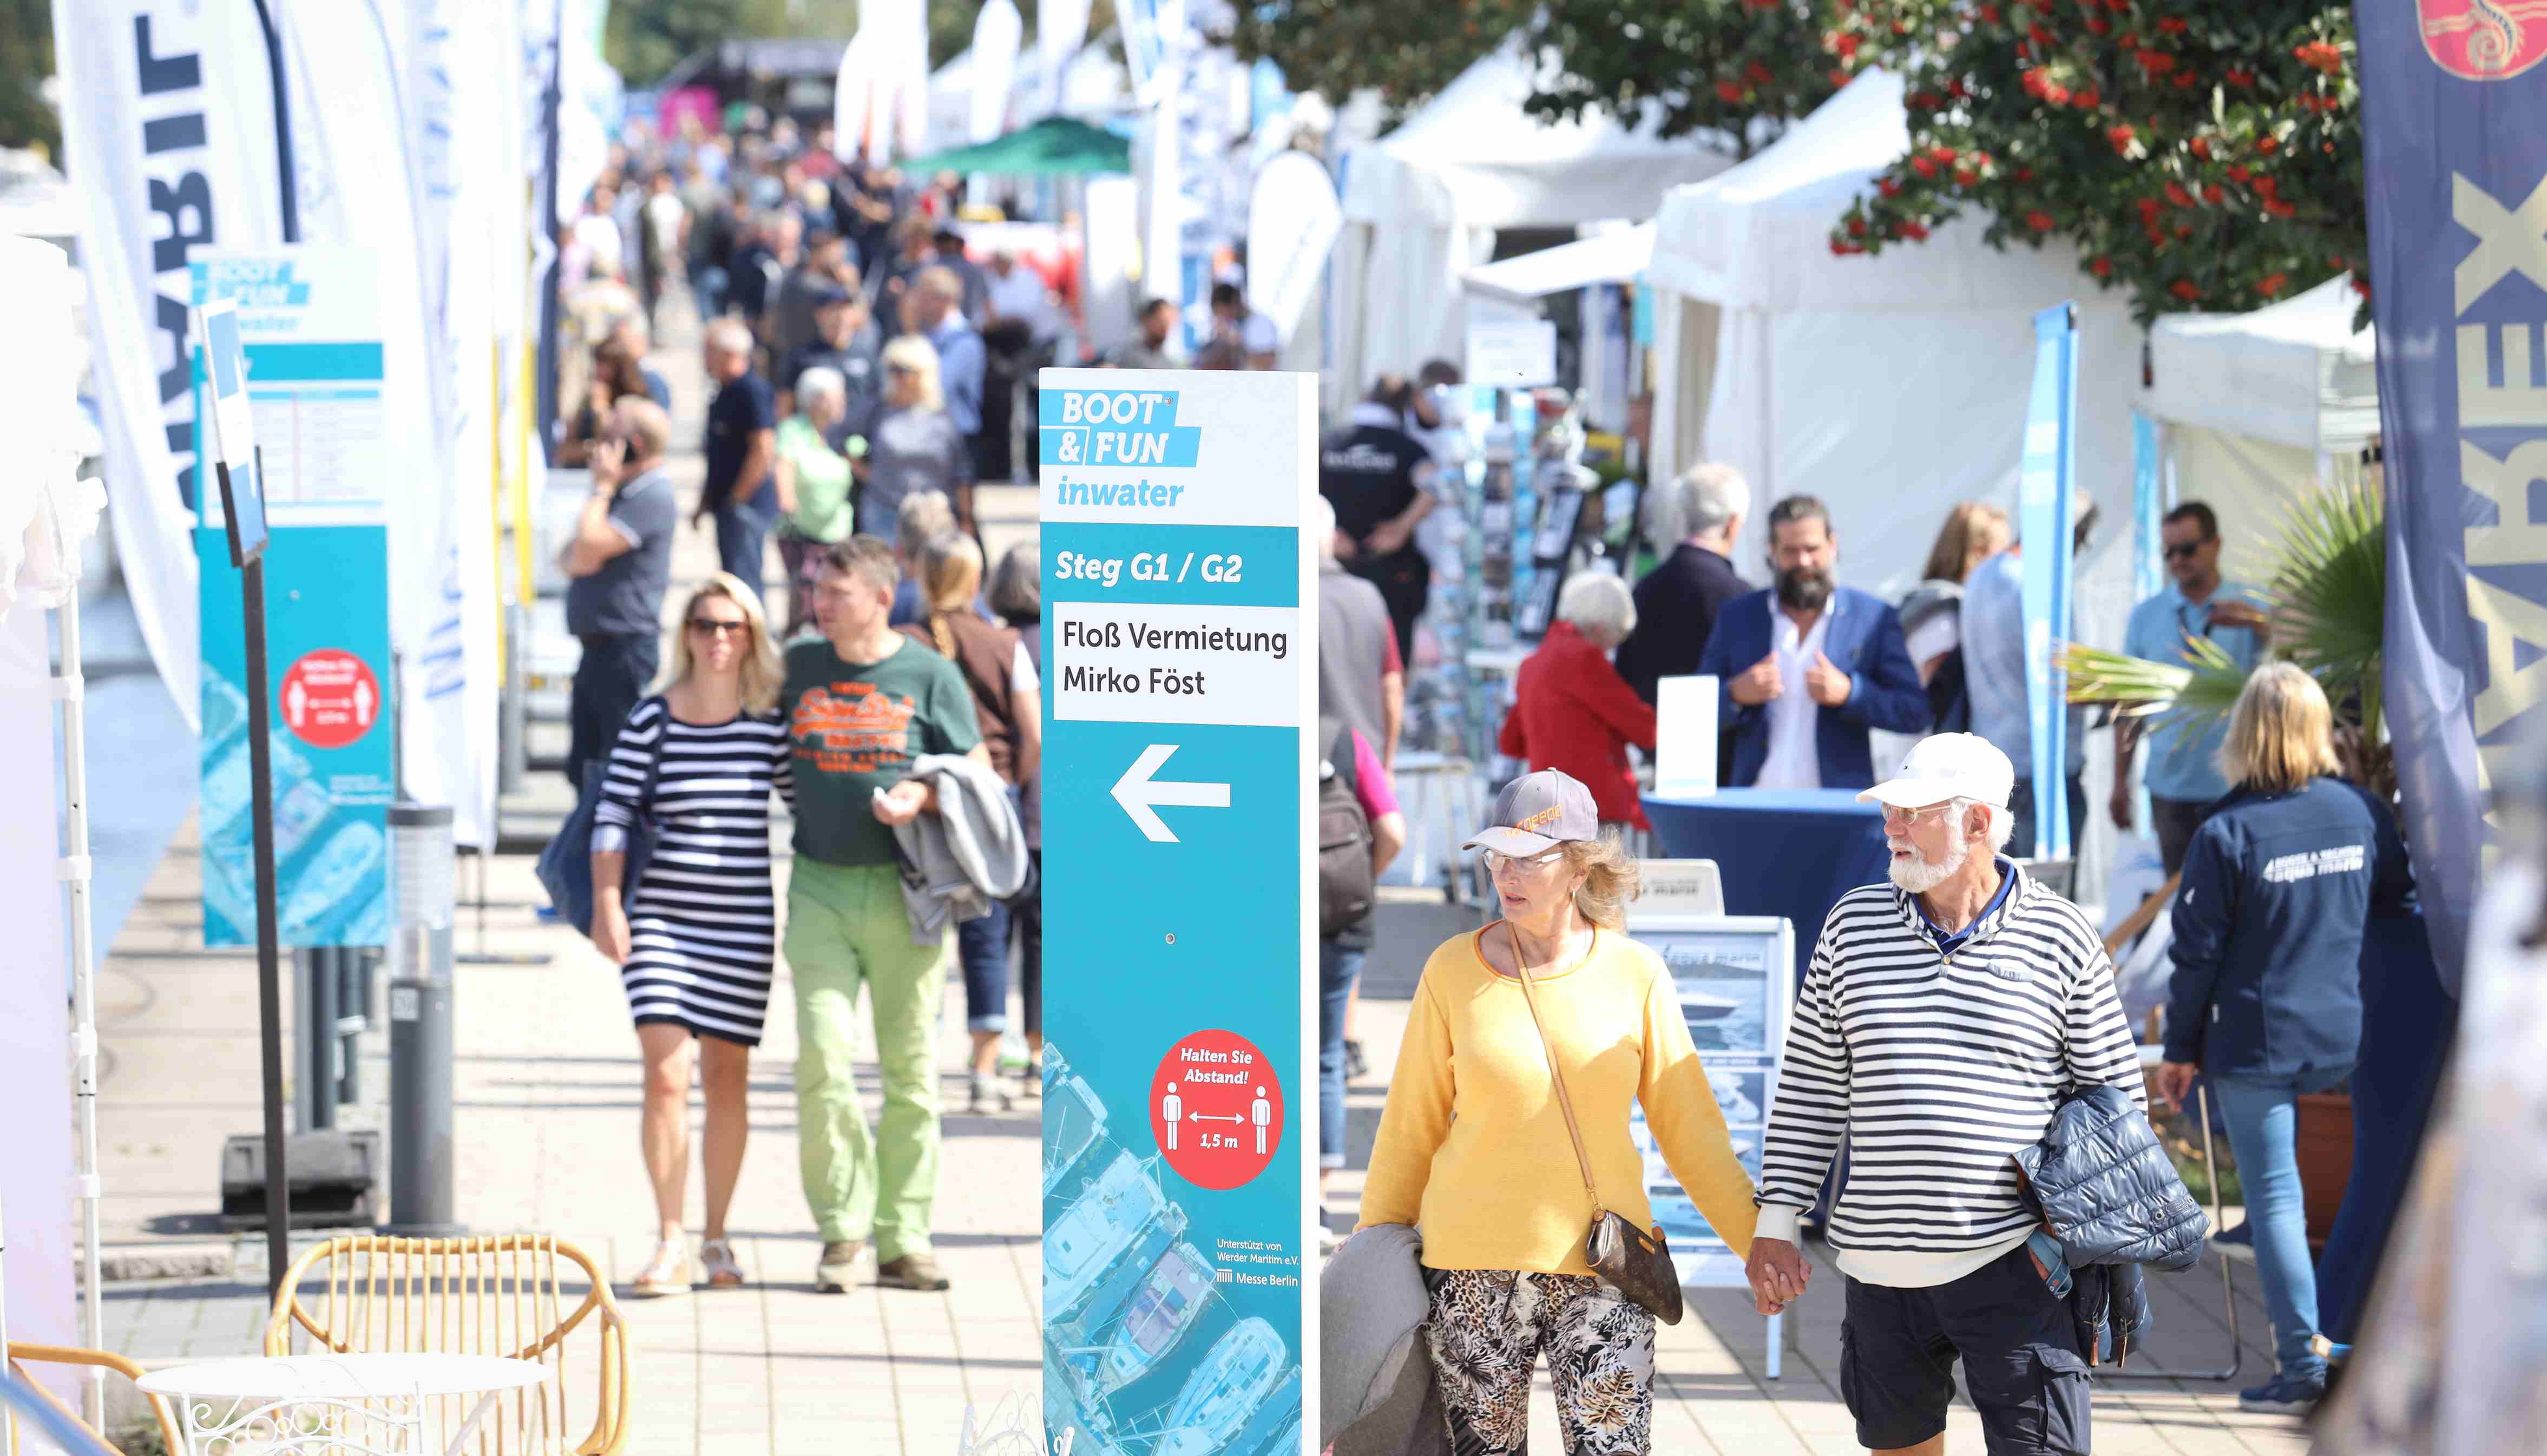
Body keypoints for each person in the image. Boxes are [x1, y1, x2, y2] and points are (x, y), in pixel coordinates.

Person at [1745, 732, 2145, 1456]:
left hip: (2016, 1266)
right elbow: (1810, 1082)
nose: (1890, 826)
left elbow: (2117, 1104)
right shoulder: (1850, 926)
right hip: (1877, 1268)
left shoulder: (2060, 934)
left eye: (1911, 811)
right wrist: (1776, 1219)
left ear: (1978, 822)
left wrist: (2066, 1239)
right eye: (1890, 810)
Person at [1359, 770, 1759, 1454]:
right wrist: (1372, 1244)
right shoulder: (1450, 969)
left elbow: (1690, 1129)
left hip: (1606, 1269)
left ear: (1578, 867)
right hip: (1470, 1271)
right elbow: (1409, 1125)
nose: (1504, 875)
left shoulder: (1636, 975)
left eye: (1527, 859)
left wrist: (1757, 1243)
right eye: (1495, 857)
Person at [2154, 664, 2416, 1417]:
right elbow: (2396, 896)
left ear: (2241, 732)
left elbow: (2194, 956)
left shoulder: (2225, 830)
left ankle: (2302, 1360)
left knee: (2274, 1195)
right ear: (2314, 730)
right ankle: (2346, 1344)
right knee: (2352, 1177)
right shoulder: (2361, 810)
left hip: (2255, 1041)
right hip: (2340, 1032)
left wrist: (2177, 1050)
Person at [782, 536, 994, 1294]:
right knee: (823, 1060)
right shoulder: (798, 666)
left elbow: (978, 773)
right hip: (818, 889)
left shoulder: (928, 674)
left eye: (836, 592)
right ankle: (842, 1230)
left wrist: (925, 794)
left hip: (907, 894)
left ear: (880, 597)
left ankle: (904, 1237)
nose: (819, 602)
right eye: (817, 590)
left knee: (910, 1075)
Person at [591, 574, 793, 1297]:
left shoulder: (769, 723)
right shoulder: (654, 719)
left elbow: (809, 803)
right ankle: (670, 1238)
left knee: (727, 1079)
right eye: (705, 623)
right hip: (662, 922)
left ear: (752, 638)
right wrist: (607, 903)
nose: (717, 638)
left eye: (732, 626)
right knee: (666, 1075)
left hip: (741, 923)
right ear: (685, 633)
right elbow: (613, 812)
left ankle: (718, 1237)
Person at [897, 535, 1041, 1112]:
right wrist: (1009, 781)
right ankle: (985, 1068)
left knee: (921, 926)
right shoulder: (1004, 644)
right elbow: (1032, 734)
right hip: (989, 797)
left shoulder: (906, 644)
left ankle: (914, 1059)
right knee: (987, 935)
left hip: (922, 799)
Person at [1695, 495, 1929, 790]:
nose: (1804, 561)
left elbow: (1914, 712)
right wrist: (1735, 694)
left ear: (1833, 545)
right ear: (1772, 552)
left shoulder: (1872, 618)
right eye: (1791, 551)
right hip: (1754, 804)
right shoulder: (1738, 616)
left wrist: (1851, 693)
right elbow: (1692, 713)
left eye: (1812, 549)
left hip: (1836, 810)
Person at [2116, 501, 2272, 874]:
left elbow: (2291, 676)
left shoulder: (2251, 605)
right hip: (2170, 787)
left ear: (2215, 544)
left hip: (2238, 783)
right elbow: (2128, 704)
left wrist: (2261, 625)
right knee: (2181, 904)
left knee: (2244, 897)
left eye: (2187, 549)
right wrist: (2119, 783)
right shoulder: (2145, 616)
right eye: (2168, 552)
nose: (2177, 560)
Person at [1962, 497, 2100, 858]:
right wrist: (2119, 694)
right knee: (2043, 905)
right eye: (2081, 541)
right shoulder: (2039, 586)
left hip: (1993, 766)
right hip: (2041, 774)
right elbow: (2065, 677)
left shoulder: (1983, 574)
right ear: (2074, 533)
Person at [1316, 714, 1406, 1252]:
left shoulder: (1247, 726)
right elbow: (1393, 831)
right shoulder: (1344, 738)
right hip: (1342, 919)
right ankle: (1320, 1199)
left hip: (1266, 925)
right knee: (1326, 1055)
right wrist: (1361, 880)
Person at [558, 398, 677, 796]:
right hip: (598, 648)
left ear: (635, 445)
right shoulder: (622, 495)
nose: (598, 448)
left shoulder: (650, 494)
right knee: (584, 768)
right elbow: (569, 557)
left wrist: (602, 488)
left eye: (609, 438)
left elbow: (588, 544)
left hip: (624, 648)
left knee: (617, 770)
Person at [1498, 574, 1658, 834]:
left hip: (1546, 806)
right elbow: (1644, 729)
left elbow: (1511, 742)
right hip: (1592, 808)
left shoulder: (1533, 664)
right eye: (1615, 636)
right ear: (1599, 628)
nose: (1611, 648)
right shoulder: (1585, 658)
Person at [1613, 462, 1753, 709]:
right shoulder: (1741, 596)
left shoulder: (1645, 588)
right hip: (1719, 742)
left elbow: (1625, 677)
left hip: (1656, 740)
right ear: (1733, 524)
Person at [1320, 377, 1437, 667]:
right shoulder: (1408, 449)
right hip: (1391, 565)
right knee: (1392, 653)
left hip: (1337, 561)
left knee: (1336, 650)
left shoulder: (1328, 443)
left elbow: (1293, 484)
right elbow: (1436, 485)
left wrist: (1326, 532)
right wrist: (1402, 526)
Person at [988, 543, 1045, 1096]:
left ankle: (991, 1043)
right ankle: (1035, 1048)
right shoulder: (1071, 642)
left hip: (1002, 810)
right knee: (1041, 938)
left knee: (993, 933)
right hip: (1052, 812)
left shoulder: (997, 644)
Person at [1895, 502, 2011, 734]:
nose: (2008, 563)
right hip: (1935, 756)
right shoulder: (1945, 609)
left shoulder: (1944, 603)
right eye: (2001, 553)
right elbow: (1940, 694)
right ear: (1977, 551)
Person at [851, 338, 974, 549]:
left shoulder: (943, 417)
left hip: (933, 515)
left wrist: (966, 518)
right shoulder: (878, 411)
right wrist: (869, 474)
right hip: (885, 512)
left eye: (903, 371)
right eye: (891, 370)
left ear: (923, 373)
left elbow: (962, 472)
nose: (896, 377)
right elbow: (839, 439)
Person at [1315, 495, 1403, 770]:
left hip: (1303, 759)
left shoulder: (1280, 598)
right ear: (1332, 536)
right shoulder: (1369, 597)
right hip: (1363, 762)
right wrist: (1384, 769)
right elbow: (1392, 688)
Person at [773, 367, 858, 640]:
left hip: (837, 531)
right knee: (804, 597)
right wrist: (787, 500)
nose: (842, 403)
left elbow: (862, 467)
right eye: (837, 397)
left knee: (835, 594)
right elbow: (783, 465)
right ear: (817, 400)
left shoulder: (845, 433)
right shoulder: (793, 430)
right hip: (801, 532)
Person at [700, 319, 781, 602]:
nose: (705, 357)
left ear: (729, 353)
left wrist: (738, 499)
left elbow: (763, 448)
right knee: (732, 581)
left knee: (745, 585)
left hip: (746, 507)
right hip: (728, 505)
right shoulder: (723, 391)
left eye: (709, 350)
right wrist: (706, 501)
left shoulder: (751, 391)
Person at [907, 267, 986, 464]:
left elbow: (936, 386)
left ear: (944, 300)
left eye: (924, 298)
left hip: (957, 441)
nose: (917, 305)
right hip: (928, 436)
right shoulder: (926, 335)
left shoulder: (966, 341)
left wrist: (910, 331)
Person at [776, 285, 881, 421]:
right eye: (833, 309)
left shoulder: (866, 357)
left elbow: (879, 400)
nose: (840, 315)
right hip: (814, 438)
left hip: (857, 438)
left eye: (846, 308)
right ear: (818, 314)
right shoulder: (802, 357)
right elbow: (785, 405)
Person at [770, 229, 858, 370]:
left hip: (810, 355)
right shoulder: (805, 283)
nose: (839, 260)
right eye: (835, 254)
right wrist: (850, 283)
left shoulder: (800, 277)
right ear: (819, 253)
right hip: (802, 358)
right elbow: (856, 312)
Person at [558, 340, 652, 466]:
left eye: (603, 363)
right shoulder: (589, 399)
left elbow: (619, 449)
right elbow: (565, 450)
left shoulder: (636, 403)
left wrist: (602, 411)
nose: (598, 370)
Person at [639, 170, 688, 334]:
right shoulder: (651, 204)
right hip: (656, 256)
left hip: (671, 253)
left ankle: (668, 327)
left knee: (672, 292)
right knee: (656, 293)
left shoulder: (673, 203)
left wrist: (679, 253)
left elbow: (682, 229)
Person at [1198, 281, 1278, 369]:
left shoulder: (1262, 323)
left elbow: (1267, 364)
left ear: (1233, 304)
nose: (1224, 319)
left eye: (1223, 313)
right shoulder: (1236, 327)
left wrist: (1238, 345)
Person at [1109, 297, 1178, 370]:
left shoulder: (1169, 363)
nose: (1165, 326)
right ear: (1145, 319)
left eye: (1169, 321)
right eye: (1160, 320)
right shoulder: (1123, 356)